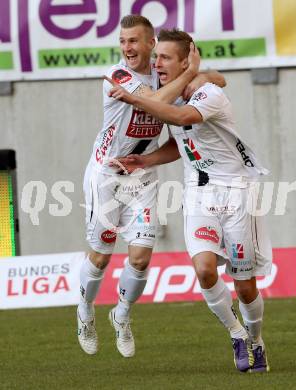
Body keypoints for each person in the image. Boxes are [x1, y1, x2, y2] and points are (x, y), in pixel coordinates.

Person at [107, 29, 272, 373]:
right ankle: (236, 333)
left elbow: (183, 118)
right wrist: (146, 160)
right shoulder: (170, 92)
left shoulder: (207, 93)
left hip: (237, 194)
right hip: (198, 194)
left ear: (186, 61)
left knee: (244, 287)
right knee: (204, 269)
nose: (157, 63)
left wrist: (134, 99)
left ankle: (256, 340)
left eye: (165, 57)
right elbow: (179, 141)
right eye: (157, 57)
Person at [78, 15, 225, 358]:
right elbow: (157, 101)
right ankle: (84, 310)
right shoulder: (118, 76)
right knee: (100, 256)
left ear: (150, 44)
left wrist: (197, 76)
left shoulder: (164, 78)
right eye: (122, 41)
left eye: (133, 41)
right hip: (106, 174)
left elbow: (217, 82)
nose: (127, 47)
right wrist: (189, 74)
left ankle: (122, 315)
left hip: (141, 176)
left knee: (141, 258)